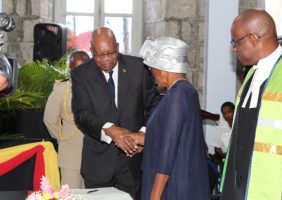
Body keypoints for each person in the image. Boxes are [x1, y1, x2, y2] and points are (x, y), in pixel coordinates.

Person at [70, 27, 159, 199]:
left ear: (118, 47)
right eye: (100, 55)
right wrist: (109, 129)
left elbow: (154, 105)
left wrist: (143, 134)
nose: (107, 60)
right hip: (98, 163)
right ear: (91, 50)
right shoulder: (81, 74)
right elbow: (82, 114)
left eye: (112, 53)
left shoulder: (139, 67)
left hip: (134, 162)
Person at [220, 9, 282, 200]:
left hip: (278, 190)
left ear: (254, 38)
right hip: (239, 189)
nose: (234, 49)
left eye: (235, 42)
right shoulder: (251, 75)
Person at [123, 37, 210, 200]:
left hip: (173, 185)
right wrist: (144, 140)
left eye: (152, 70)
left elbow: (167, 152)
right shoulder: (187, 91)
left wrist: (155, 195)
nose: (152, 75)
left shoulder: (177, 95)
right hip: (183, 179)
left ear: (163, 69)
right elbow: (175, 137)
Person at [43, 51, 90, 188]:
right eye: (76, 68)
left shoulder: (97, 87)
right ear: (70, 69)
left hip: (94, 155)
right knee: (71, 194)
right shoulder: (61, 90)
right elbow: (49, 119)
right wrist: (62, 138)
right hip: (70, 154)